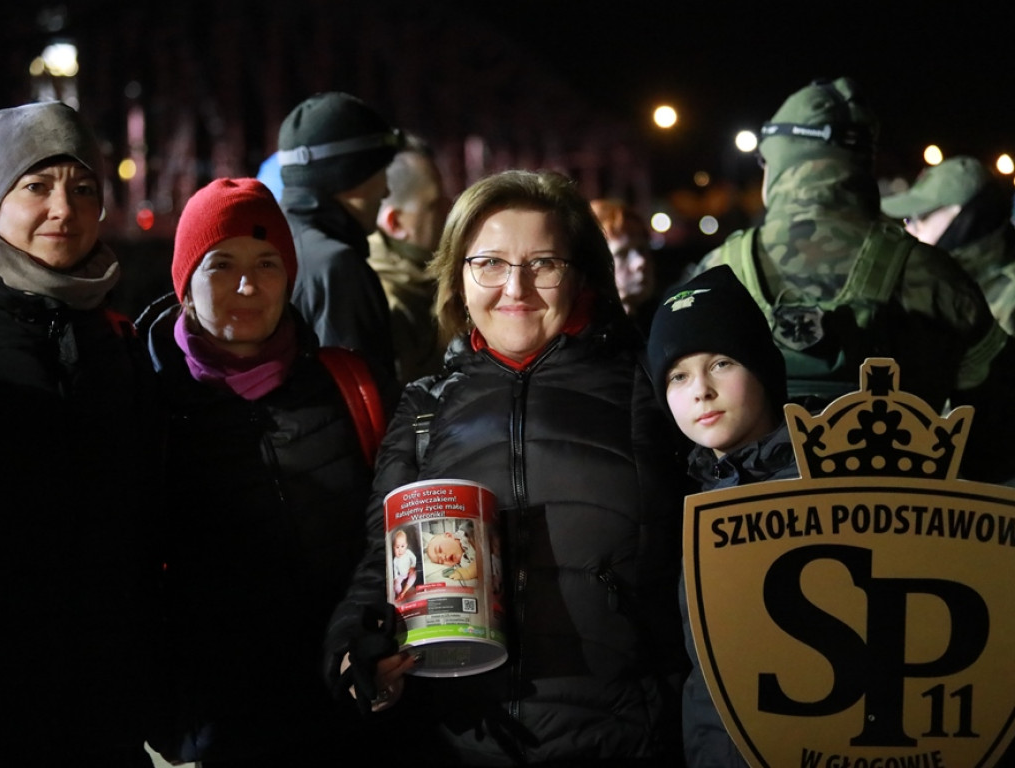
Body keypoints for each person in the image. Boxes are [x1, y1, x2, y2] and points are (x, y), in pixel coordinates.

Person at [325, 169, 690, 765]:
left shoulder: (648, 388)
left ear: (580, 275)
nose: (516, 288)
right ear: (458, 277)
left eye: (543, 263)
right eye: (489, 263)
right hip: (465, 741)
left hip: (625, 739)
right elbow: (382, 563)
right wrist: (354, 652)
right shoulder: (425, 405)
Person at [138, 178, 390, 766]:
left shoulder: (348, 385)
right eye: (221, 264)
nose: (247, 285)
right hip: (222, 723)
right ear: (186, 284)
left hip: (352, 705)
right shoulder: (143, 398)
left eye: (267, 263)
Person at [692, 76, 1015, 484]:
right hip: (908, 528)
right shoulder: (934, 275)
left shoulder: (716, 272)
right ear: (864, 163)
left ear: (776, 163)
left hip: (748, 533)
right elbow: (999, 425)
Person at [0, 100, 162, 766]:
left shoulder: (116, 336)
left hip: (105, 696)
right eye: (37, 185)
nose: (64, 208)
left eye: (83, 188)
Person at [646, 264, 807, 768]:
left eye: (720, 363)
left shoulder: (822, 484)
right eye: (678, 375)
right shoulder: (681, 495)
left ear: (761, 366)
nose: (700, 391)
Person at [278, 91, 405, 383]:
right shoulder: (338, 268)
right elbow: (364, 403)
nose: (386, 192)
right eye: (381, 171)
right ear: (350, 176)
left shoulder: (273, 244)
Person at [881, 155, 1015, 334]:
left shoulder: (1009, 301)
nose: (910, 230)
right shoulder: (939, 289)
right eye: (907, 220)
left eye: (921, 218)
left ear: (965, 220)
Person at [368, 133, 449, 383]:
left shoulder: (418, 281)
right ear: (395, 222)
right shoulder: (389, 303)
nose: (450, 210)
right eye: (435, 205)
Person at [590, 197, 659, 337]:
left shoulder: (665, 320)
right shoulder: (584, 336)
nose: (641, 262)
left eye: (642, 249)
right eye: (622, 253)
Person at [392, 528, 418, 599]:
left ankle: (405, 590)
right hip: (401, 575)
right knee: (396, 585)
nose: (400, 550)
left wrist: (412, 566)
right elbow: (395, 569)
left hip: (409, 571)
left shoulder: (407, 552)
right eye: (397, 547)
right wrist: (396, 577)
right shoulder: (395, 560)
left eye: (402, 546)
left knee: (414, 575)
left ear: (406, 545)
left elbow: (414, 558)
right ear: (394, 548)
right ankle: (400, 593)